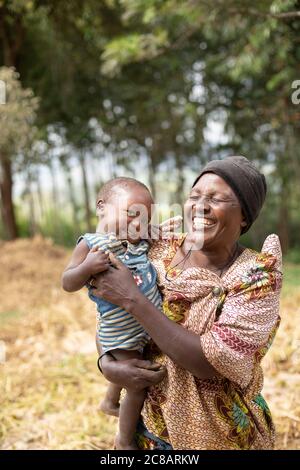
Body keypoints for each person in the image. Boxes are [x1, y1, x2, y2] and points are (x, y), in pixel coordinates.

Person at [93, 156, 283, 450]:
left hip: (220, 436)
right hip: (148, 431)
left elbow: (210, 362)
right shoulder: (155, 249)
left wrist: (134, 299)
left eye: (217, 199)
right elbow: (110, 316)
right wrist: (108, 363)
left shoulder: (256, 278)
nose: (200, 206)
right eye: (195, 196)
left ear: (244, 216)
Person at [62, 177, 180, 450]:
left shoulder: (138, 242)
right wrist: (86, 267)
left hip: (142, 328)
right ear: (102, 208)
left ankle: (110, 401)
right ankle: (125, 442)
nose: (137, 224)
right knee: (137, 386)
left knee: (129, 369)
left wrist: (160, 229)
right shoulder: (93, 245)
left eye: (144, 218)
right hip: (119, 331)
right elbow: (67, 282)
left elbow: (154, 236)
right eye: (131, 214)